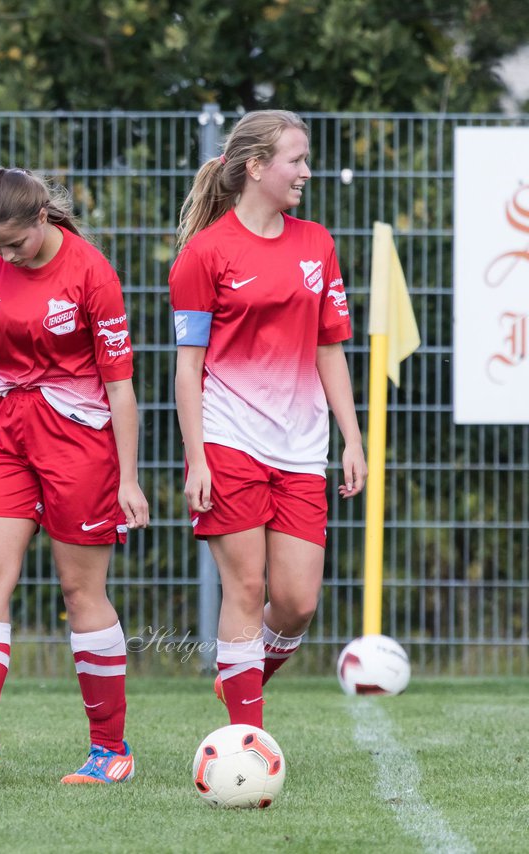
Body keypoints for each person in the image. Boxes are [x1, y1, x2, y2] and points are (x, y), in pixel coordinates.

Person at [0, 167, 150, 785]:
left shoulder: (92, 273)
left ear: (43, 218)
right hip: (8, 436)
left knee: (80, 594)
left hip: (81, 442)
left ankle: (110, 751)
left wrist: (129, 478)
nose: (4, 255)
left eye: (14, 243)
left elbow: (121, 390)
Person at [168, 110, 366, 730]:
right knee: (246, 589)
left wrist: (352, 439)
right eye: (296, 160)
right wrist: (196, 455)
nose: (307, 172)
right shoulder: (204, 255)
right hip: (229, 440)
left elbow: (329, 348)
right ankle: (243, 741)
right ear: (256, 167)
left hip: (303, 448)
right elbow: (187, 368)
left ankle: (239, 685)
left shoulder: (317, 243)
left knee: (299, 603)